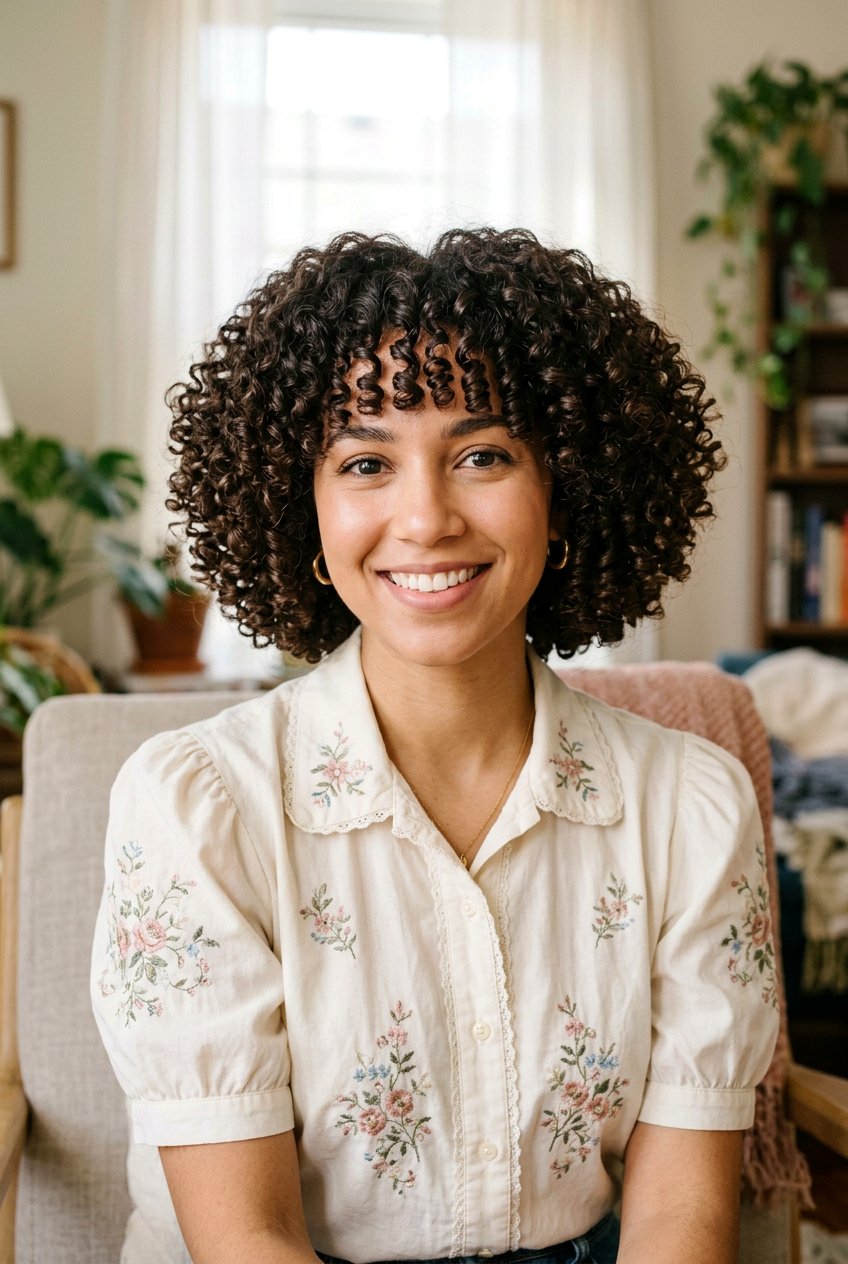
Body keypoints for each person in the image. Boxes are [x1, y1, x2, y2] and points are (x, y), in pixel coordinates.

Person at [92, 228, 779, 1264]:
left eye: (482, 455)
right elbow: (248, 1236)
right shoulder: (198, 808)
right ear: (302, 514)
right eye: (364, 461)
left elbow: (679, 1221)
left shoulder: (690, 804)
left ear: (567, 493)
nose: (423, 516)